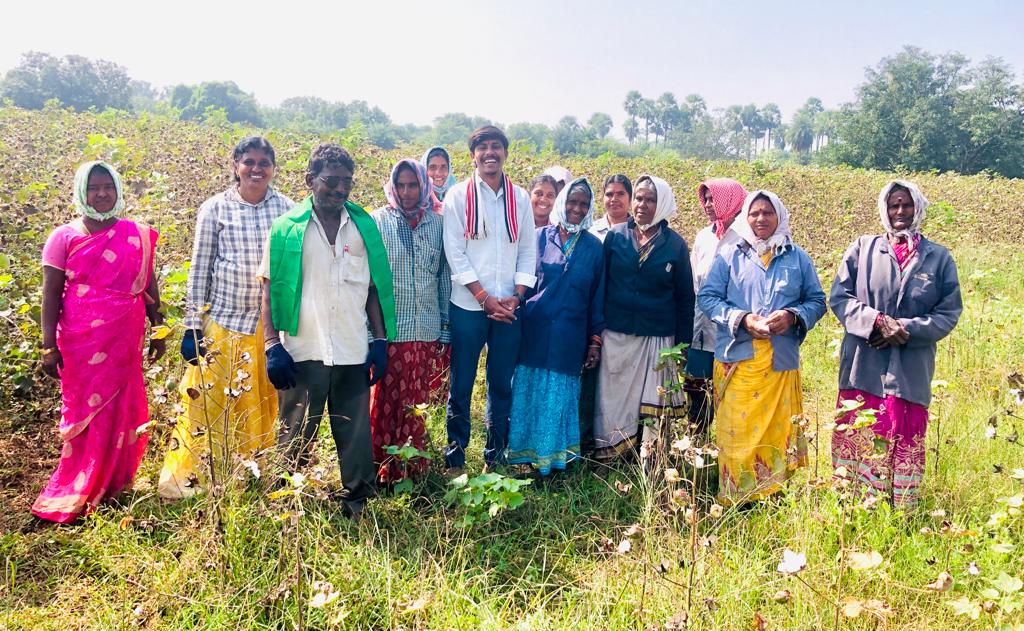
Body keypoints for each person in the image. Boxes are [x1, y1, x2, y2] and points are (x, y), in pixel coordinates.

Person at [260, 143, 396, 517]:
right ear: (309, 180)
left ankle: (358, 500)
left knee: (354, 433)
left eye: (347, 182)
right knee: (295, 432)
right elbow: (270, 287)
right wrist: (273, 345)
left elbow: (371, 289)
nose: (340, 189)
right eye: (331, 181)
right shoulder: (288, 229)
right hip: (305, 348)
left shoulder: (363, 227)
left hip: (353, 348)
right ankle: (283, 502)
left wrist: (380, 340)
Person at [159, 136, 293, 499]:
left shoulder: (287, 210)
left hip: (266, 330)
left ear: (273, 168)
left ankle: (250, 477)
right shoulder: (215, 208)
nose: (256, 169)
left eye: (264, 162)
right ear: (236, 165)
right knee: (209, 406)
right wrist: (191, 326)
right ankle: (199, 479)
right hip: (222, 323)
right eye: (249, 161)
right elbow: (200, 270)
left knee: (261, 406)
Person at [33, 161, 163, 523]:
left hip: (125, 336)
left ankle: (115, 482)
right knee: (85, 412)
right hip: (81, 340)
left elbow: (148, 282)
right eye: (94, 188)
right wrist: (48, 346)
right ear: (81, 192)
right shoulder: (64, 237)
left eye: (108, 186)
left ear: (118, 189)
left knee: (121, 406)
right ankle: (80, 481)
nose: (102, 193)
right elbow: (51, 295)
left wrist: (159, 326)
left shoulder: (135, 233)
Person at [830, 180, 962, 507]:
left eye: (906, 205)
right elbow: (840, 297)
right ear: (884, 210)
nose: (900, 212)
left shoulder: (938, 258)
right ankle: (854, 510)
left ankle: (900, 514)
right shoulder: (863, 248)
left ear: (917, 207)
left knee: (905, 433)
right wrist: (875, 321)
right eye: (893, 206)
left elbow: (948, 312)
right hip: (863, 364)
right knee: (859, 434)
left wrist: (905, 328)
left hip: (909, 371)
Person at [697, 190, 826, 506]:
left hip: (780, 362)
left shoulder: (797, 257)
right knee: (737, 430)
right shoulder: (730, 256)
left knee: (775, 431)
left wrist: (793, 315)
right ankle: (737, 499)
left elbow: (817, 300)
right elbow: (709, 298)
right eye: (754, 213)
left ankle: (773, 495)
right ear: (745, 217)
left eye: (767, 212)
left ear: (779, 216)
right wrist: (742, 319)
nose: (760, 219)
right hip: (737, 359)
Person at [442, 125, 537, 475]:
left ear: (505, 154)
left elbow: (528, 251)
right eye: (482, 148)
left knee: (500, 383)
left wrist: (517, 296)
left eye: (496, 146)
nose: (489, 153)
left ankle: (495, 457)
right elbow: (455, 252)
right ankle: (455, 457)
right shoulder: (458, 196)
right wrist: (483, 298)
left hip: (509, 309)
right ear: (473, 156)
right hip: (469, 306)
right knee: (462, 382)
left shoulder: (521, 198)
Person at [594, 175, 695, 464]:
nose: (642, 205)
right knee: (612, 397)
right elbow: (602, 285)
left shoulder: (675, 245)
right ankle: (610, 456)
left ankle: (651, 462)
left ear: (660, 203)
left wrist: (682, 345)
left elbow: (685, 299)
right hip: (617, 332)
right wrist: (597, 331)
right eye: (638, 198)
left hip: (657, 335)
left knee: (654, 400)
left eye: (650, 199)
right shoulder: (616, 236)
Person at [507, 178, 605, 475]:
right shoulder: (538, 237)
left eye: (583, 204)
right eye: (572, 202)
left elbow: (597, 298)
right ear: (562, 203)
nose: (576, 209)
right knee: (528, 392)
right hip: (533, 333)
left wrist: (595, 340)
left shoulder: (594, 247)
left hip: (569, 336)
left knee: (557, 398)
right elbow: (522, 283)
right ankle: (523, 459)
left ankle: (550, 464)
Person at [370, 159, 451, 484]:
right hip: (390, 330)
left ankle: (413, 469)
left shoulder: (437, 224)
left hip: (427, 329)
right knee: (387, 400)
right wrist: (371, 333)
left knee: (417, 402)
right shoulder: (378, 221)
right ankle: (381, 467)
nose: (406, 192)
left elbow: (444, 276)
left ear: (423, 185)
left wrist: (446, 328)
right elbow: (370, 281)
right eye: (400, 185)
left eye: (412, 185)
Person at [685, 178, 747, 436]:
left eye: (714, 199)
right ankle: (698, 445)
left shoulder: (745, 237)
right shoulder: (703, 236)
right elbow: (692, 280)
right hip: (700, 328)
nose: (709, 205)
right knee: (696, 389)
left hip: (730, 329)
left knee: (728, 391)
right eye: (706, 199)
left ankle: (728, 445)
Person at [589, 174, 632, 242]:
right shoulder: (591, 231)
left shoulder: (639, 232)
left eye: (620, 194)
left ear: (630, 199)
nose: (614, 199)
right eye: (609, 194)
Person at [422, 146, 456, 210]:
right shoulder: (417, 201)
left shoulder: (457, 196)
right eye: (432, 167)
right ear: (424, 169)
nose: (438, 173)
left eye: (443, 167)